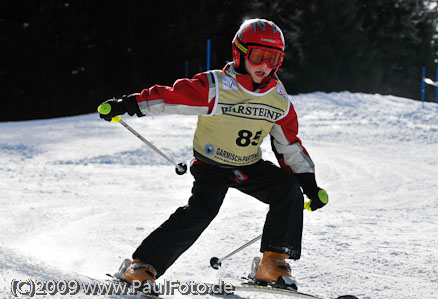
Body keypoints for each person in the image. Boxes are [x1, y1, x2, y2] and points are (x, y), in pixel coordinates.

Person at [98, 18, 328, 291]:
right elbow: (172, 97)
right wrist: (129, 103)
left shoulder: (278, 99)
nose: (264, 66)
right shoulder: (217, 87)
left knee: (287, 189)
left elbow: (289, 144)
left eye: (272, 58)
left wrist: (308, 185)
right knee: (202, 210)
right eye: (257, 56)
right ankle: (141, 265)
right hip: (211, 166)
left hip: (249, 166)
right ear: (239, 53)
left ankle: (271, 263)